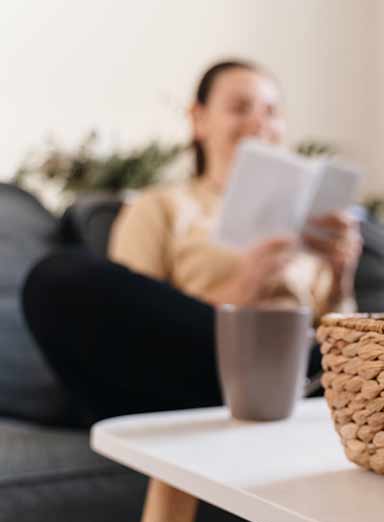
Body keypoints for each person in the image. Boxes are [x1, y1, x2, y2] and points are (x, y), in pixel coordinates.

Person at [22, 60, 362, 425]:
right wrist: (244, 289)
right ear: (199, 120)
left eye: (271, 111)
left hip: (307, 367)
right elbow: (139, 322)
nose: (260, 122)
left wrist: (341, 273)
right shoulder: (161, 207)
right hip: (197, 371)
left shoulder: (308, 223)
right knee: (56, 277)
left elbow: (338, 332)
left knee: (364, 353)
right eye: (239, 108)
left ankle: (303, 386)